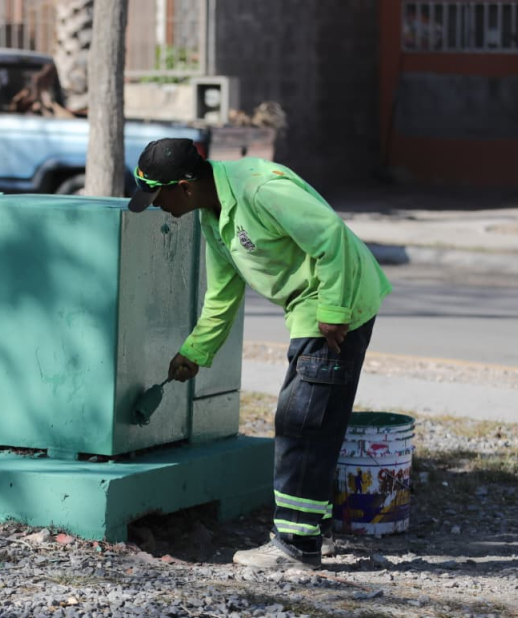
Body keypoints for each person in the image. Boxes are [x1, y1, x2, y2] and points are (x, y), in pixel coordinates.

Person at [128, 138, 392, 569]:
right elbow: (223, 291)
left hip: (332, 303)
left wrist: (334, 310)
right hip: (315, 305)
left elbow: (331, 237)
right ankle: (315, 531)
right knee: (315, 421)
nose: (159, 208)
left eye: (159, 199)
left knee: (301, 422)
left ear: (185, 187)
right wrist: (196, 350)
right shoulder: (212, 213)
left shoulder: (259, 189)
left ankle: (296, 544)